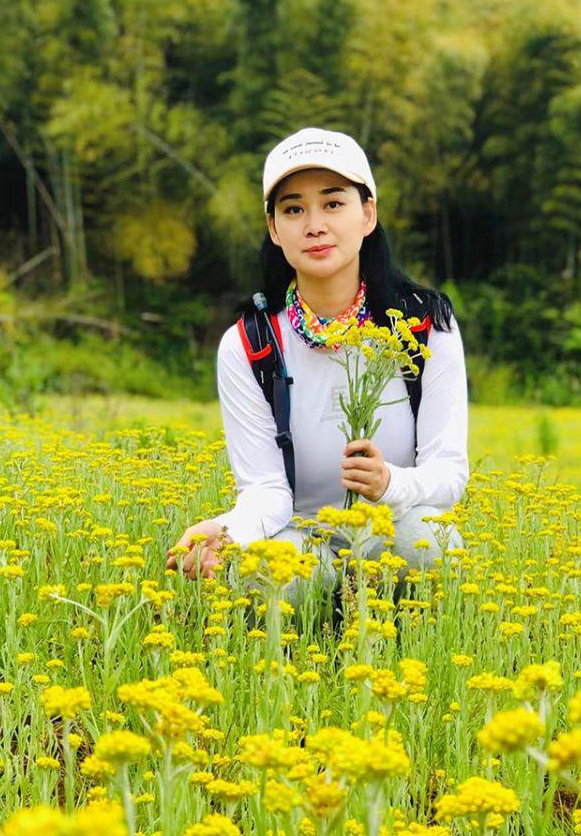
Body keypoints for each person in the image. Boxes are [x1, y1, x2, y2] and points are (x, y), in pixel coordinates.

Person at [165, 127, 468, 599]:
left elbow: (449, 474)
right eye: (293, 209)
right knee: (265, 579)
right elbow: (267, 490)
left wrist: (389, 483)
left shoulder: (425, 325)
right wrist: (228, 532)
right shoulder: (250, 344)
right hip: (300, 534)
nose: (314, 225)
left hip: (391, 523)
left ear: (367, 214)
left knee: (430, 545)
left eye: (333, 203)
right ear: (273, 228)